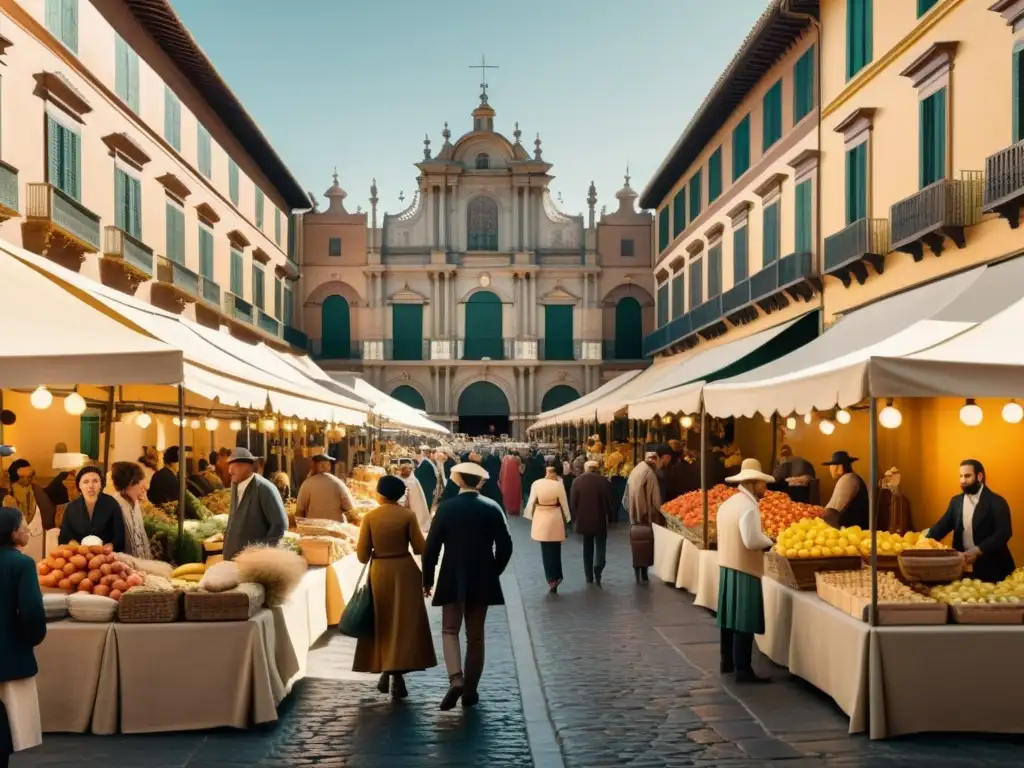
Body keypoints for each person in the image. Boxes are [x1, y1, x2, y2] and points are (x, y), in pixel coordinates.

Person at [422, 462, 513, 711]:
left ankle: (456, 678)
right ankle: (471, 691)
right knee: (476, 636)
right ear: (480, 482)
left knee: (450, 629)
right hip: (482, 576)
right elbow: (505, 545)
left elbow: (431, 548)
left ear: (459, 480)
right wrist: (494, 571)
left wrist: (427, 579)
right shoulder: (492, 508)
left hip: (452, 574)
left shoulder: (447, 508)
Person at [352, 474, 437, 699]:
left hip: (380, 572)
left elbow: (361, 556)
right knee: (403, 624)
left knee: (383, 623)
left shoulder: (370, 517)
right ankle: (396, 674)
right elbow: (420, 548)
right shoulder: (407, 515)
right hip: (405, 572)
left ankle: (387, 670)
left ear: (379, 494)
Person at [716, 458, 775, 684]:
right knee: (744, 618)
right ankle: (743, 669)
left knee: (728, 618)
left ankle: (726, 662)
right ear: (752, 483)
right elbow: (751, 540)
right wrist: (770, 541)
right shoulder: (749, 508)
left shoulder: (729, 503)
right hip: (744, 567)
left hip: (727, 565)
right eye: (762, 483)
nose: (765, 488)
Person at [0, 507, 46, 767]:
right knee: (8, 723)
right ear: (13, 533)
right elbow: (31, 612)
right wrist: (31, 638)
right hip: (9, 654)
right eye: (24, 526)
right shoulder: (22, 563)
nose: (28, 530)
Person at [925, 459, 1015, 583]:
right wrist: (922, 543)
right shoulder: (956, 501)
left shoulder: (997, 502)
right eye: (960, 476)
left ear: (979, 476)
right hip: (962, 569)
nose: (962, 480)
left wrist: (977, 551)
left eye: (967, 476)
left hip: (994, 569)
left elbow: (1004, 533)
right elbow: (942, 526)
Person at [222, 448, 288, 560]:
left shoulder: (264, 488)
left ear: (248, 467)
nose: (230, 471)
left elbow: (280, 526)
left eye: (234, 466)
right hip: (231, 559)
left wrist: (256, 549)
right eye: (229, 466)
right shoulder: (235, 485)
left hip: (252, 562)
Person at [625, 446, 672, 583]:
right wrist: (664, 514)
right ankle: (644, 572)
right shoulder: (649, 474)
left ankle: (638, 571)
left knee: (637, 545)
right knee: (646, 544)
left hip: (636, 515)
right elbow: (655, 498)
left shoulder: (638, 468)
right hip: (645, 514)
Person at [524, 459, 572, 593]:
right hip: (555, 517)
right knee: (556, 550)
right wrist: (567, 519)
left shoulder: (536, 484)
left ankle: (550, 579)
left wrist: (530, 517)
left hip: (541, 516)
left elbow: (531, 502)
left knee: (545, 550)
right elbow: (564, 504)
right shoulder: (558, 485)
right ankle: (557, 576)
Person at [58, 466, 125, 552]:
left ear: (101, 484)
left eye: (95, 481)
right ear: (79, 485)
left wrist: (111, 546)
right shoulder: (71, 508)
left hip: (106, 555)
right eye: (85, 482)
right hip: (79, 556)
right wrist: (74, 546)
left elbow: (120, 536)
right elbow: (64, 537)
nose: (91, 486)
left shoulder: (112, 504)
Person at [570, 460, 615, 585]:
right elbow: (610, 502)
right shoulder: (604, 482)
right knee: (601, 545)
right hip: (600, 519)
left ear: (585, 469)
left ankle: (588, 575)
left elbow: (573, 503)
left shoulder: (577, 482)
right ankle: (599, 566)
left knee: (587, 547)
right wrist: (611, 518)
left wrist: (575, 519)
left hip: (584, 520)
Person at [0, 461, 55, 561]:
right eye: (21, 477)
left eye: (29, 476)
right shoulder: (6, 498)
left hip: (39, 550)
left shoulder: (39, 494)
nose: (26, 481)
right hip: (14, 554)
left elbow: (50, 518)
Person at [294, 452, 355, 522]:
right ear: (327, 466)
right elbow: (350, 509)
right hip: (335, 529)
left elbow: (299, 512)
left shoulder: (306, 484)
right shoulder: (338, 483)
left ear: (315, 466)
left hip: (313, 528)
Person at [109, 462, 152, 559]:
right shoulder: (113, 505)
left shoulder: (135, 503)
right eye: (141, 485)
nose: (144, 489)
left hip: (142, 566)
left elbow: (142, 536)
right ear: (131, 482)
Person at [821, 451, 868, 530]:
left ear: (840, 468)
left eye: (831, 466)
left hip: (853, 532)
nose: (830, 469)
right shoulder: (851, 478)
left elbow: (832, 511)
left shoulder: (847, 479)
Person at [397, 459, 432, 534]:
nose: (404, 472)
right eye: (403, 470)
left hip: (412, 504)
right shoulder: (399, 478)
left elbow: (415, 499)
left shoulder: (413, 482)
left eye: (407, 470)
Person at [498, 450, 523, 517]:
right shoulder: (517, 459)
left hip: (505, 478)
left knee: (506, 492)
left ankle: (506, 508)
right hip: (515, 477)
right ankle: (514, 509)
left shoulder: (504, 458)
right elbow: (521, 471)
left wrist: (500, 477)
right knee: (515, 492)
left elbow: (501, 469)